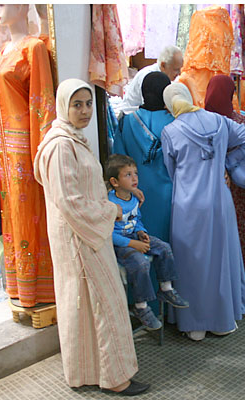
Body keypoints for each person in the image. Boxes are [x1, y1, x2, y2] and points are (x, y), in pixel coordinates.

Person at [33, 79, 149, 396]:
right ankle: (115, 378)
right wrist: (108, 212)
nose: (84, 111)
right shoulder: (60, 146)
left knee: (88, 304)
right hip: (81, 236)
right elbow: (69, 201)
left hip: (84, 233)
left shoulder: (73, 140)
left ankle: (91, 371)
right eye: (77, 104)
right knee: (104, 302)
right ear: (63, 107)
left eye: (87, 104)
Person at [161, 82, 245, 341]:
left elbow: (170, 172)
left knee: (191, 264)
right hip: (220, 200)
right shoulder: (219, 122)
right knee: (220, 259)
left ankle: (194, 323)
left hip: (188, 206)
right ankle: (222, 320)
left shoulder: (170, 131)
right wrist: (228, 163)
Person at [0, 4, 56, 307]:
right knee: (13, 213)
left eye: (3, 3)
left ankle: (39, 288)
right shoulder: (4, 49)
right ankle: (19, 285)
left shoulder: (33, 48)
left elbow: (42, 99)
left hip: (25, 146)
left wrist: (41, 151)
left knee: (30, 213)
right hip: (5, 147)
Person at [204, 74, 245, 306]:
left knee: (211, 248)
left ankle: (214, 301)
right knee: (240, 246)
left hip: (206, 197)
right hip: (240, 198)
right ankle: (241, 298)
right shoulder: (243, 124)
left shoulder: (197, 125)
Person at [106, 154, 189, 330]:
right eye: (128, 175)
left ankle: (166, 288)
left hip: (133, 236)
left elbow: (137, 220)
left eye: (135, 173)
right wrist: (133, 244)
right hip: (120, 244)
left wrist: (141, 232)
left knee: (164, 248)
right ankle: (140, 307)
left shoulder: (134, 198)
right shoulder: (110, 203)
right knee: (141, 263)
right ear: (115, 181)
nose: (134, 178)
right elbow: (109, 234)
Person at [113, 72, 174, 241]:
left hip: (135, 197)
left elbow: (117, 161)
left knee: (142, 245)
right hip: (171, 197)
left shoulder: (126, 123)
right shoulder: (177, 124)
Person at [120, 45, 183, 112]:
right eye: (176, 69)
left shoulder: (169, 76)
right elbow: (149, 108)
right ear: (163, 65)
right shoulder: (148, 77)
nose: (179, 73)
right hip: (134, 115)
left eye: (180, 69)